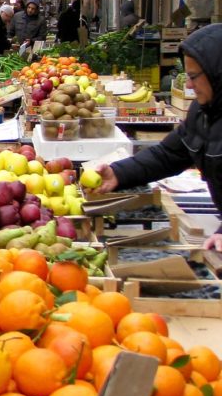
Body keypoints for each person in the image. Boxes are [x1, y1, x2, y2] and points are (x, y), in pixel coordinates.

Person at [95, 25, 222, 254]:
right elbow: (169, 154)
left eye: (193, 77)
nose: (190, 86)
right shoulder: (203, 113)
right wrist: (120, 173)